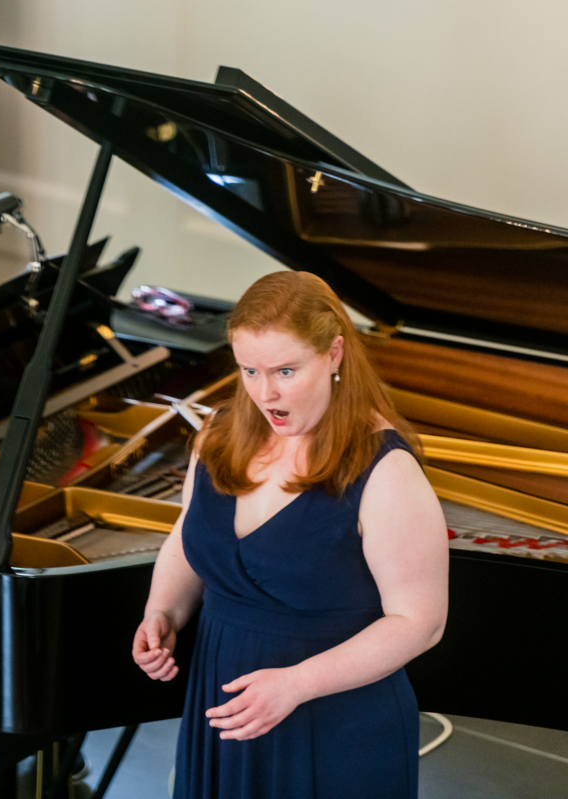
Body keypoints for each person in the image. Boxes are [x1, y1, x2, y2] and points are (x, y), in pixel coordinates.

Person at [132, 271, 448, 798]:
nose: (265, 392)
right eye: (249, 371)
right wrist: (162, 611)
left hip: (335, 722)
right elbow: (188, 536)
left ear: (334, 354)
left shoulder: (387, 471)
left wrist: (297, 684)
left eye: (285, 370)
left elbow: (420, 623)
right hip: (226, 702)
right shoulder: (216, 436)